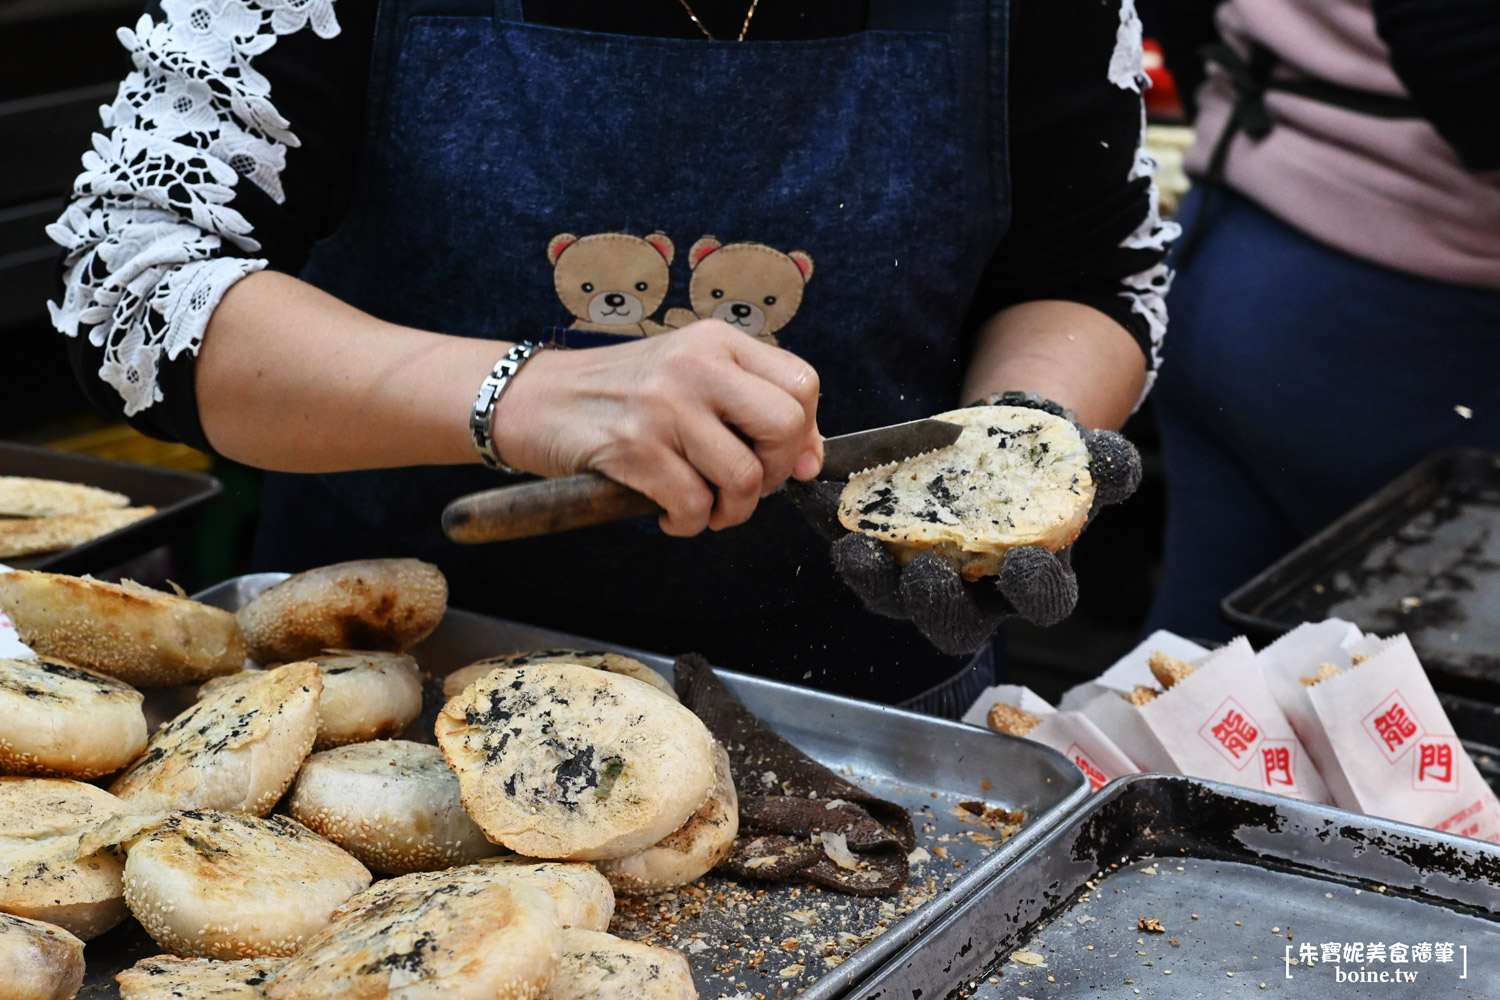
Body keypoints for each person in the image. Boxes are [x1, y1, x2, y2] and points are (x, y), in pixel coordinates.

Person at [48, 0, 1174, 714]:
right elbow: (131, 277)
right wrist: (520, 391)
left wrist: (1000, 465)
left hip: (875, 725)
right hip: (381, 700)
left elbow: (1086, 275)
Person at [1144, 0, 1500, 640]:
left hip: (1237, 243)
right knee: (1416, 705)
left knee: (1206, 682)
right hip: (1402, 316)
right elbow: (1460, 47)